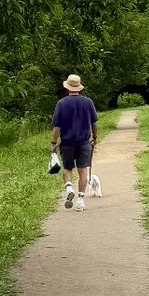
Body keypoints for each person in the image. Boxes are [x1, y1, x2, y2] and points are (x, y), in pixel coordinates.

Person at [51, 74, 98, 212]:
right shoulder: (88, 102)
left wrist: (54, 142)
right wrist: (94, 137)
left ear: (67, 87)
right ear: (79, 87)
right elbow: (94, 123)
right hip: (84, 142)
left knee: (67, 168)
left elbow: (57, 127)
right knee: (82, 170)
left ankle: (69, 187)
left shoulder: (61, 103)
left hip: (67, 142)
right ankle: (81, 201)